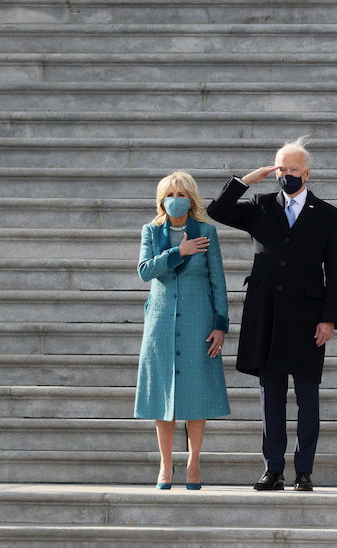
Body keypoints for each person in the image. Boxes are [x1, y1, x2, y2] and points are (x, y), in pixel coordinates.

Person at [207, 137, 337, 492]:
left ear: (307, 173)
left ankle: (303, 470)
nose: (286, 175)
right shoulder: (261, 205)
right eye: (281, 168)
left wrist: (330, 318)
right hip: (266, 314)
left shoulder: (328, 214)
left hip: (307, 317)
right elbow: (217, 211)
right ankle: (273, 469)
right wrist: (245, 181)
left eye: (292, 169)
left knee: (307, 397)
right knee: (270, 396)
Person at [135, 171, 230, 490]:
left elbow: (218, 280)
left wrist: (221, 324)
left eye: (182, 194)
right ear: (162, 200)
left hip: (198, 319)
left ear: (191, 199)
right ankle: (165, 464)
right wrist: (179, 252)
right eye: (170, 194)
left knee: (196, 393)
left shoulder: (206, 231)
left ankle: (193, 461)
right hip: (161, 321)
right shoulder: (152, 230)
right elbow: (145, 271)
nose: (176, 200)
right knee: (163, 394)